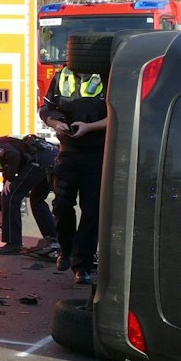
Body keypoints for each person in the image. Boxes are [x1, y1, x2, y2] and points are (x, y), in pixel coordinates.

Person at [41, 61, 108, 285]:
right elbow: (46, 110)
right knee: (61, 205)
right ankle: (66, 250)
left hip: (96, 155)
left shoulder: (106, 76)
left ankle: (83, 266)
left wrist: (90, 127)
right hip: (67, 153)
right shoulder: (61, 76)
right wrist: (55, 123)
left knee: (92, 212)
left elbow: (118, 115)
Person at [0, 133, 59, 259]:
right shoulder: (3, 143)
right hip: (50, 159)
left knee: (12, 198)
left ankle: (13, 243)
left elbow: (13, 156)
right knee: (37, 200)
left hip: (37, 162)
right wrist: (1, 211)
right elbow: (6, 182)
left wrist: (10, 179)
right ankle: (53, 238)